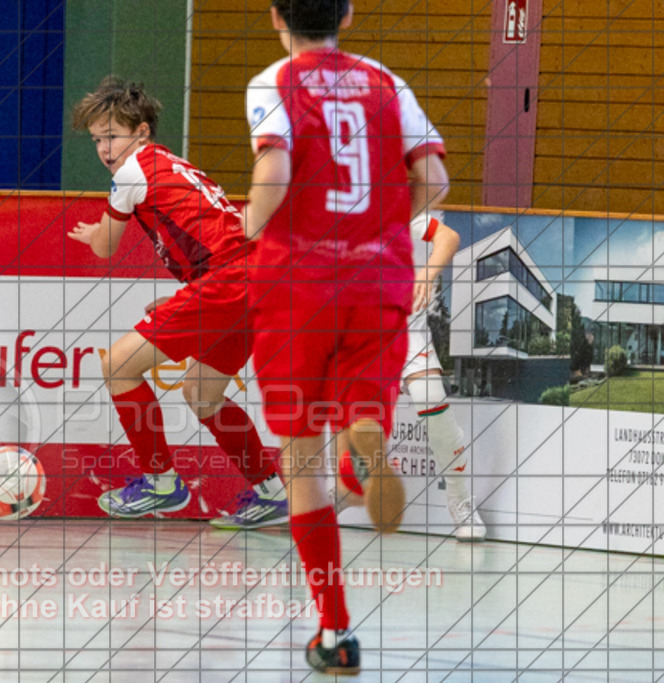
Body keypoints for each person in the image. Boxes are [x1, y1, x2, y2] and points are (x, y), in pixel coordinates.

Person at [242, 0, 449, 674]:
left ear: (276, 16)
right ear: (349, 15)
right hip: (378, 276)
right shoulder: (386, 80)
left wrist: (252, 219)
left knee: (299, 463)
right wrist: (383, 226)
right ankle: (363, 438)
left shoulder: (275, 80)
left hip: (298, 282)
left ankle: (335, 634)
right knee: (359, 402)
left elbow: (273, 171)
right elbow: (436, 180)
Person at [68, 76, 288, 528]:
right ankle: (271, 492)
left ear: (143, 131)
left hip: (231, 281)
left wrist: (94, 236)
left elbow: (108, 248)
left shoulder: (133, 172)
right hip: (253, 281)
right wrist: (190, 294)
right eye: (96, 140)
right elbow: (218, 239)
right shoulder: (171, 164)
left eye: (113, 135)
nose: (105, 149)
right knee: (202, 393)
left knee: (117, 366)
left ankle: (160, 482)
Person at [331, 213, 488, 542]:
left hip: (407, 335)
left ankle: (460, 500)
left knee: (433, 405)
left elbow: (448, 238)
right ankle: (340, 493)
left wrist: (428, 275)